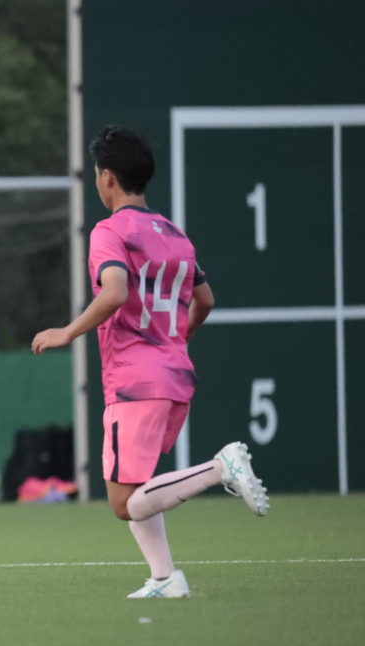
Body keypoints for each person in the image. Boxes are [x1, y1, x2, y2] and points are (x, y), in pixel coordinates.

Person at [31, 125, 269, 598]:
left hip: (135, 378)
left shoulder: (110, 230)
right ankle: (165, 578)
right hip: (174, 375)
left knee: (123, 502)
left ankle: (220, 468)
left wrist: (67, 332)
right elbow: (205, 300)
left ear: (107, 177)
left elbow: (115, 292)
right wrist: (177, 340)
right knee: (139, 487)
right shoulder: (174, 234)